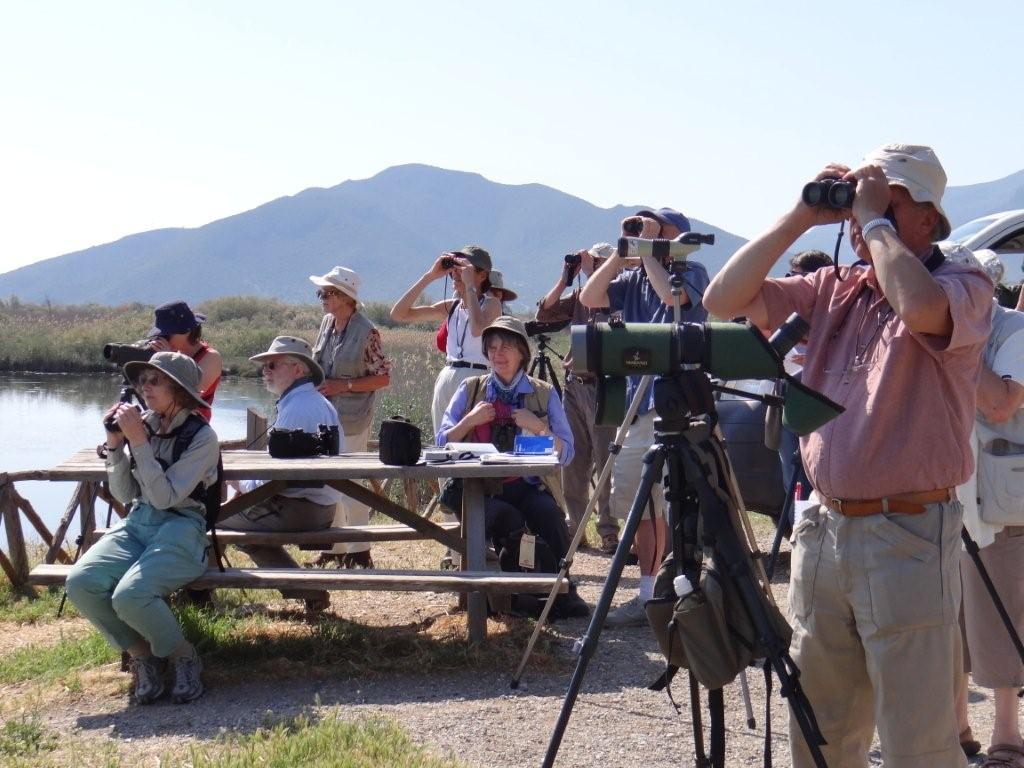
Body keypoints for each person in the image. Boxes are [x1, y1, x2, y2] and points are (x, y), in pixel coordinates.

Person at [703, 143, 992, 768]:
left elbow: (919, 309)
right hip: (825, 526)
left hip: (909, 531)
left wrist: (875, 222)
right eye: (861, 206)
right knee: (820, 727)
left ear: (926, 217)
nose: (862, 219)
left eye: (884, 203)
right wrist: (801, 216)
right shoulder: (834, 289)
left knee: (918, 738)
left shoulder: (963, 284)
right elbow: (722, 301)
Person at [580, 208, 710, 627]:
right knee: (641, 503)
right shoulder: (633, 277)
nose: (646, 235)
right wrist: (622, 254)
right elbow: (589, 299)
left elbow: (675, 299)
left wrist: (650, 252)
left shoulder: (693, 271)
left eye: (657, 230)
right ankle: (647, 592)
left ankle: (680, 588)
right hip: (638, 400)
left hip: (680, 401)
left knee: (677, 503)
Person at [65, 352, 218, 705]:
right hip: (138, 522)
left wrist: (138, 443)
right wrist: (116, 447)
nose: (144, 388)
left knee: (129, 594)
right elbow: (124, 494)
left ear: (178, 389)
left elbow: (166, 498)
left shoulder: (202, 437)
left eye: (155, 381)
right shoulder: (144, 425)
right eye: (142, 381)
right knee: (81, 583)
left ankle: (182, 655)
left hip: (183, 527)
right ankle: (142, 656)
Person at [436, 316, 589, 618]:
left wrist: (539, 428)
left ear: (522, 352)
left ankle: (562, 589)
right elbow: (441, 442)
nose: (497, 353)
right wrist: (469, 421)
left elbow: (568, 453)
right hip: (478, 489)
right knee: (508, 518)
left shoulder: (543, 392)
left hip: (526, 483)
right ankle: (510, 595)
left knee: (548, 513)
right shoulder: (471, 389)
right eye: (491, 347)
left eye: (505, 346)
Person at [955, 251, 1024, 767]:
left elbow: (1002, 403)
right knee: (947, 615)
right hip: (942, 487)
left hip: (999, 498)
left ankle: (1007, 733)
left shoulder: (1012, 330)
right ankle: (954, 726)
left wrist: (955, 350)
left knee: (1002, 613)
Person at [220, 336, 344, 613]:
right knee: (236, 526)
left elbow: (274, 480)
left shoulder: (299, 409)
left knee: (212, 523)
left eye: (272, 365)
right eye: (265, 366)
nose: (265, 371)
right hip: (319, 505)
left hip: (301, 508)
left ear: (298, 369)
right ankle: (306, 590)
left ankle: (198, 594)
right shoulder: (311, 402)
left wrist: (240, 483)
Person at [536, 242, 618, 552]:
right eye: (591, 260)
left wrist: (599, 269)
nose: (591, 265)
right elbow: (544, 311)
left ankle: (609, 529)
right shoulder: (580, 297)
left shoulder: (618, 292)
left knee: (605, 457)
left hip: (604, 384)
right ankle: (576, 524)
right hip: (574, 384)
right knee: (572, 458)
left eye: (598, 261)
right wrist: (566, 277)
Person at [308, 267, 391, 569]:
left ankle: (360, 550)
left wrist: (344, 386)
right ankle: (335, 546)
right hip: (326, 415)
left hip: (354, 416)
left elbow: (383, 378)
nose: (322, 298)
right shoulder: (327, 324)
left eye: (326, 293)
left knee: (350, 480)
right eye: (321, 293)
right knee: (330, 480)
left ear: (344, 297)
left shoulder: (367, 332)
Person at [390, 246, 502, 435]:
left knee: (470, 440)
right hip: (448, 375)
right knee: (443, 438)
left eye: (464, 268)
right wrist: (430, 276)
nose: (456, 274)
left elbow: (477, 329)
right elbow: (399, 314)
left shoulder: (491, 304)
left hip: (476, 377)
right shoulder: (452, 307)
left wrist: (469, 287)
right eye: (454, 268)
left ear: (482, 275)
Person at [146, 301, 222, 422]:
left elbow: (186, 397)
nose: (162, 339)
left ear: (186, 332)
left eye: (166, 335)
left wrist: (167, 358)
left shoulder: (211, 357)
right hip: (165, 424)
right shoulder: (175, 353)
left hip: (192, 429)